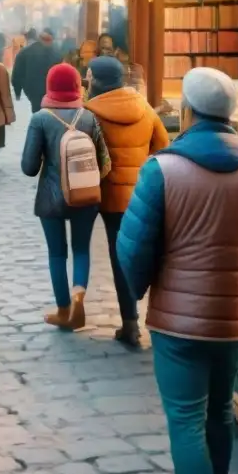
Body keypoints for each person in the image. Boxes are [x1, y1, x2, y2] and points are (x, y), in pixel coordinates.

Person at [118, 67, 238, 474]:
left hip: (177, 323)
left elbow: (131, 250)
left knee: (185, 420)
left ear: (186, 112)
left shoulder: (161, 171)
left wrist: (145, 289)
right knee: (221, 412)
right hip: (234, 323)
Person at [84, 57, 169, 346]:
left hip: (108, 198)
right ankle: (156, 317)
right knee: (145, 253)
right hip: (142, 195)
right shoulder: (144, 109)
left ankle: (130, 322)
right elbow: (163, 148)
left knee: (118, 256)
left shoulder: (90, 112)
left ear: (96, 80)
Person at [21, 64, 110, 330]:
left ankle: (63, 310)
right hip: (86, 197)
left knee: (57, 254)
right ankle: (79, 297)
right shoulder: (89, 117)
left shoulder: (40, 119)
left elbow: (29, 167)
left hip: (51, 199)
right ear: (76, 86)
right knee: (81, 249)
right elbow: (105, 162)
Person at [12, 29, 63, 113]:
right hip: (51, 92)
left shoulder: (25, 52)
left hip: (33, 92)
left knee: (38, 112)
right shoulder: (57, 53)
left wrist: (17, 91)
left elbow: (17, 74)